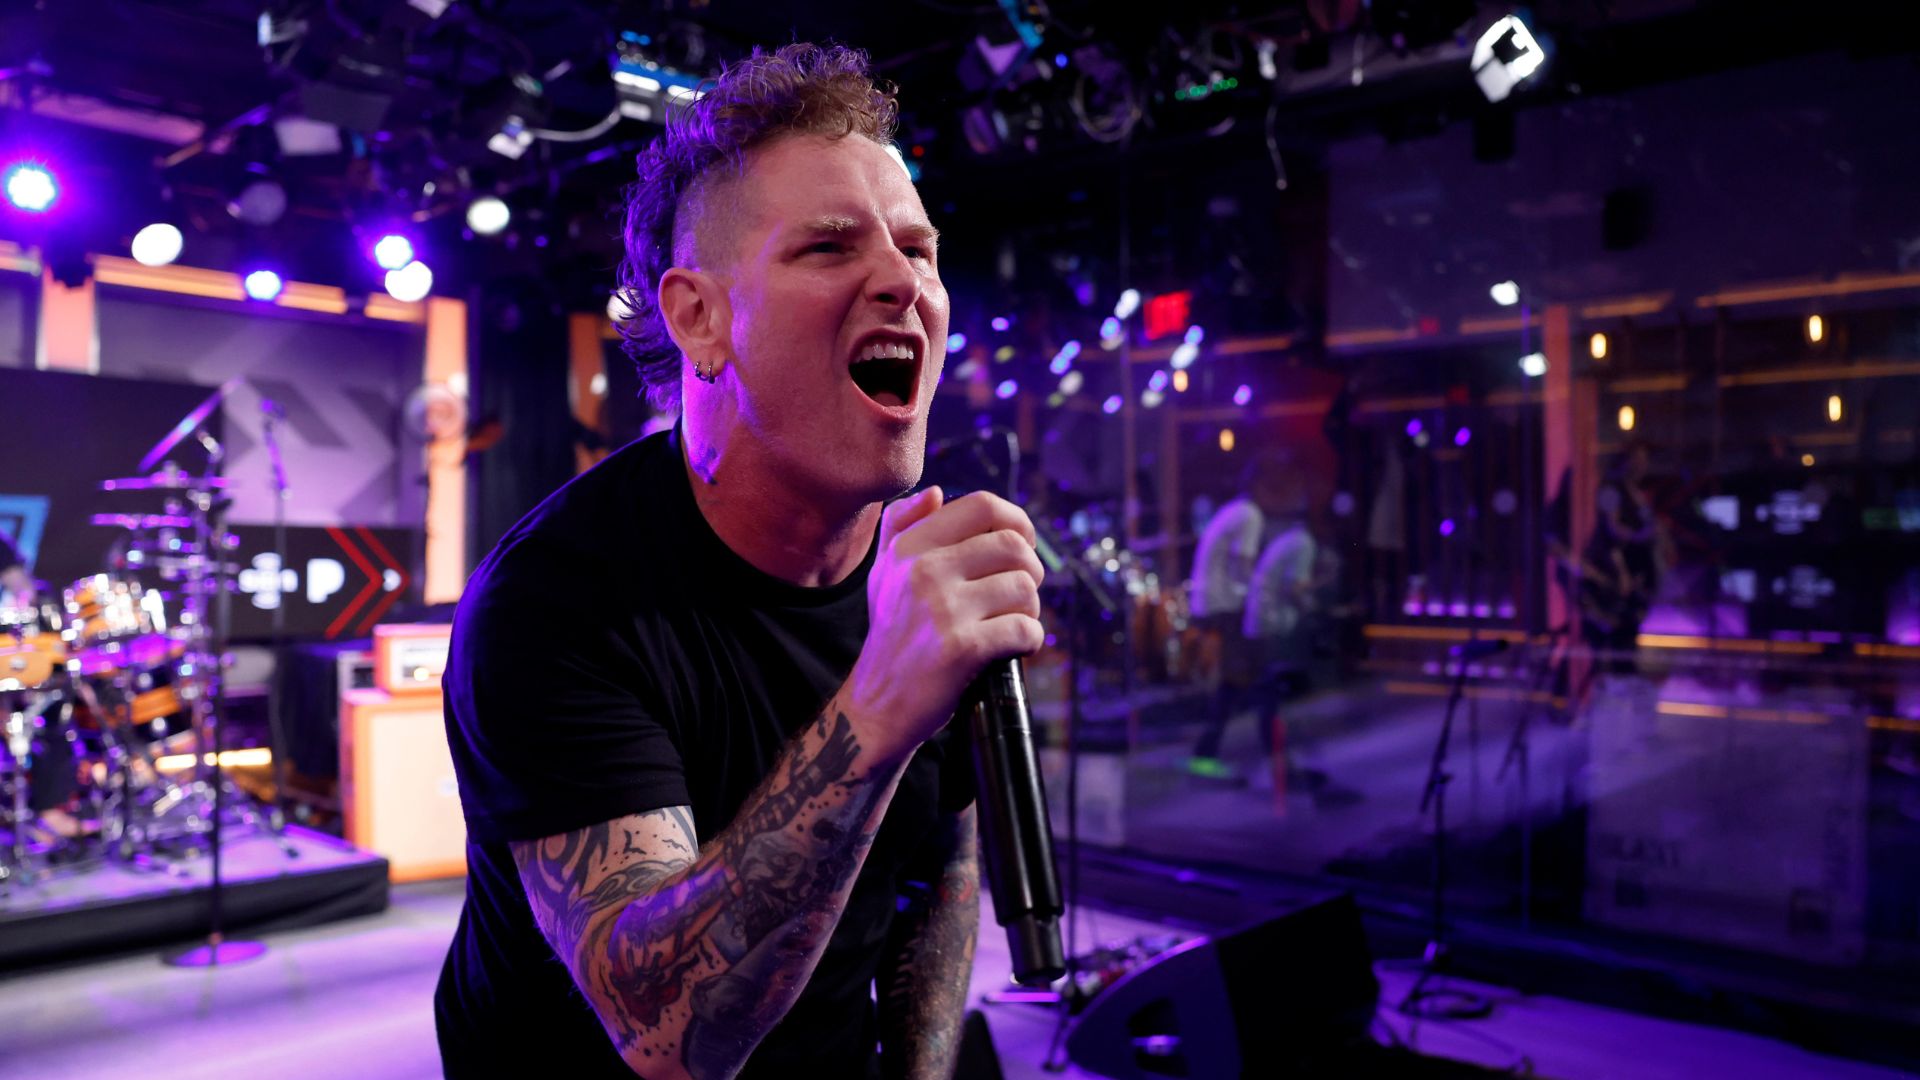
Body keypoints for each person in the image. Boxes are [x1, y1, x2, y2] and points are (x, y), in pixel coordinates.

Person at [434, 45, 1046, 1080]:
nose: (903, 282)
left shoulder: (909, 554)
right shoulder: (555, 600)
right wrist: (884, 699)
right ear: (698, 317)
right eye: (827, 247)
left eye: (920, 249)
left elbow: (941, 857)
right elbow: (669, 1036)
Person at [1187, 452, 1294, 777]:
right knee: (1255, 680)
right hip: (1226, 606)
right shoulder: (1250, 515)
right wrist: (1267, 593)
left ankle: (1217, 753)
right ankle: (1273, 758)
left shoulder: (1235, 510)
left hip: (1212, 604)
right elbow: (1243, 565)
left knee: (1241, 681)